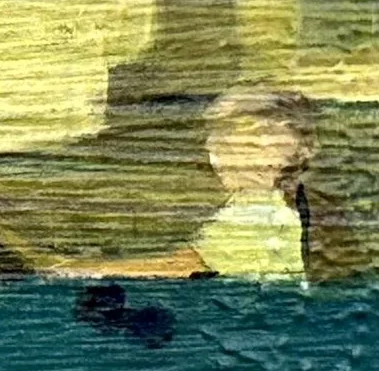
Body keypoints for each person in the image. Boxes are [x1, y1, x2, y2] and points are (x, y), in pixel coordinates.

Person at [45, 89, 314, 284]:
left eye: (225, 142)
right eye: (214, 139)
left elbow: (186, 264)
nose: (210, 148)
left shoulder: (258, 211)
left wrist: (88, 269)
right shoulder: (266, 204)